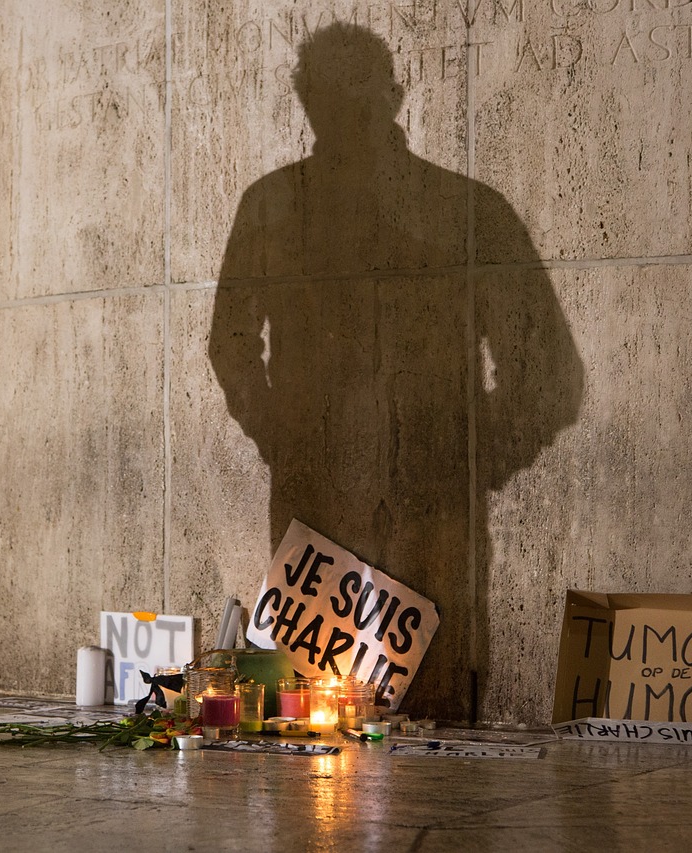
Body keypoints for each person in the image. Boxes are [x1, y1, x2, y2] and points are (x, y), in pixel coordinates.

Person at [208, 23, 583, 719]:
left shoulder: (465, 210)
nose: (341, 115)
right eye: (328, 97)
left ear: (393, 98)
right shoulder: (275, 207)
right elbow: (230, 345)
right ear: (305, 101)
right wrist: (287, 438)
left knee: (420, 723)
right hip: (323, 506)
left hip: (421, 510)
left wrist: (471, 456)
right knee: (314, 728)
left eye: (353, 99)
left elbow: (547, 371)